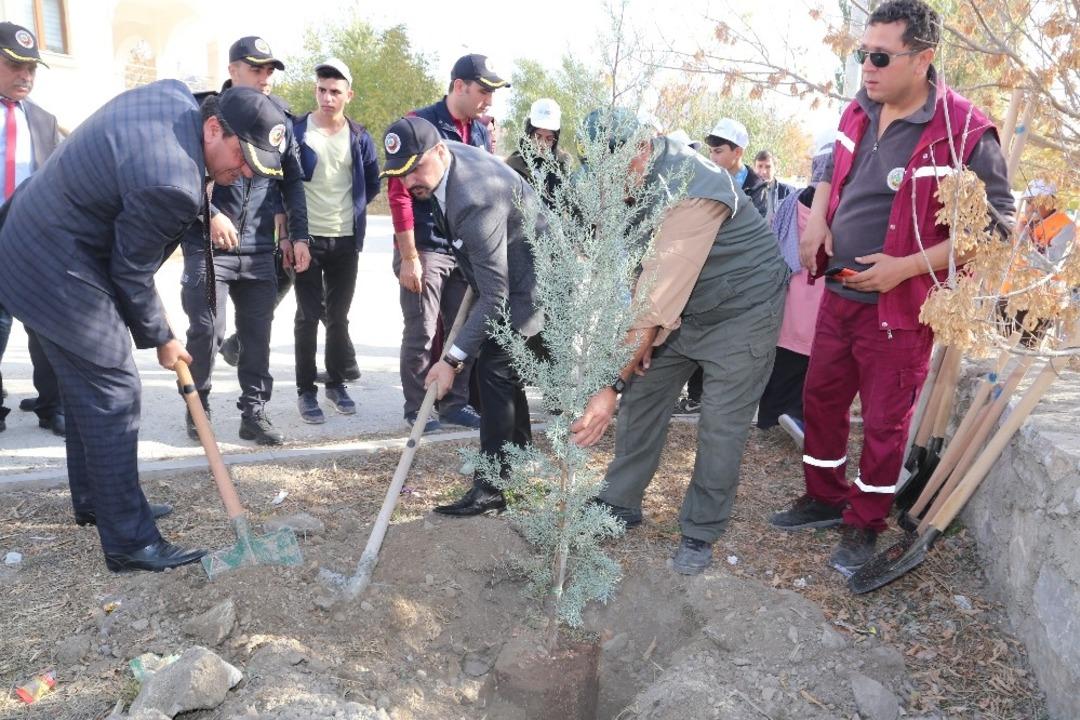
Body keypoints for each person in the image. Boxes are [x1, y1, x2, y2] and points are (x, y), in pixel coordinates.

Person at [0, 80, 289, 571]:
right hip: (52, 261)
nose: (241, 173)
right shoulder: (173, 179)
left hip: (38, 237)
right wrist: (162, 336)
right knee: (114, 389)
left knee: (87, 386)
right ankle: (130, 542)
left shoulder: (178, 98)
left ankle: (100, 501)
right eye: (241, 158)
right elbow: (130, 272)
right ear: (214, 127)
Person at [768, 0, 1014, 575]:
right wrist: (821, 218)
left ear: (923, 59)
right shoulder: (859, 107)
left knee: (884, 424)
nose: (867, 69)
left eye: (879, 56)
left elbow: (997, 230)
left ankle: (864, 523)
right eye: (862, 55)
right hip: (840, 294)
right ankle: (824, 497)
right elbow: (832, 164)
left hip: (900, 310)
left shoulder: (967, 133)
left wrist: (905, 267)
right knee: (821, 400)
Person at [571, 114, 790, 576]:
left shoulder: (695, 188)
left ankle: (701, 529)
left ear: (645, 147)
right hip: (687, 304)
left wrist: (612, 381)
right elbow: (642, 275)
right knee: (645, 395)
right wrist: (642, 342)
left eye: (620, 161)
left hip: (744, 309)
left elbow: (655, 297)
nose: (614, 175)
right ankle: (619, 500)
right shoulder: (635, 181)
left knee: (720, 424)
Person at [382, 116, 543, 516]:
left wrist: (451, 359)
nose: (409, 181)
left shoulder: (473, 197)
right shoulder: (442, 164)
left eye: (416, 168)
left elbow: (496, 294)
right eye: (400, 173)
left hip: (535, 283)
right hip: (507, 271)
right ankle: (518, 458)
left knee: (493, 370)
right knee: (497, 373)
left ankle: (492, 489)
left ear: (438, 151)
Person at [180, 35, 310, 445]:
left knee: (257, 335)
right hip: (208, 246)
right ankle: (197, 408)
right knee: (207, 330)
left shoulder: (279, 121)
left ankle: (254, 413)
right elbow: (180, 175)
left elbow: (293, 182)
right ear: (233, 70)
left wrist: (298, 235)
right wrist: (211, 213)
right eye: (256, 68)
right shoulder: (205, 114)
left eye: (270, 69)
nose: (265, 77)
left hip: (257, 249)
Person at [387, 53, 508, 433]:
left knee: (464, 325)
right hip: (425, 245)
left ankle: (454, 404)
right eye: (483, 91)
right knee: (422, 329)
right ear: (459, 86)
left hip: (466, 246)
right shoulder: (418, 126)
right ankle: (416, 408)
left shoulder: (481, 131)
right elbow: (399, 194)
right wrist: (409, 256)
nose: (488, 100)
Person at [291, 58, 380, 423]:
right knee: (307, 316)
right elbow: (285, 184)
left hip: (345, 240)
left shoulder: (359, 137)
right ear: (316, 90)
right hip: (306, 240)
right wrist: (290, 236)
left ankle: (335, 383)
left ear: (348, 95)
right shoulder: (296, 131)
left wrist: (353, 211)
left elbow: (372, 181)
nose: (327, 98)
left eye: (335, 92)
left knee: (338, 317)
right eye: (322, 90)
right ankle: (305, 390)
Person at [0, 21, 64, 436]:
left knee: (46, 329)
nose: (25, 75)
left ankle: (51, 404)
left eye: (32, 68)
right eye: (13, 64)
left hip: (31, 243)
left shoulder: (44, 120)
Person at [755, 133, 834, 447]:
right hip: (823, 301)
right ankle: (799, 422)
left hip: (791, 298)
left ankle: (770, 420)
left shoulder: (792, 201)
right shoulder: (838, 208)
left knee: (783, 365)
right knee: (814, 372)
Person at [504, 98, 571, 208]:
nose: (542, 144)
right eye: (537, 137)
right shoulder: (514, 164)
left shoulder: (562, 163)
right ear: (528, 135)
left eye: (549, 139)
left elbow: (571, 202)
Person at [753, 149, 796, 224]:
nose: (763, 171)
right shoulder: (747, 191)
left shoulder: (788, 192)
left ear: (775, 168)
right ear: (754, 168)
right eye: (760, 166)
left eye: (768, 167)